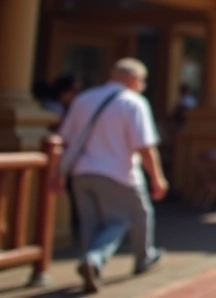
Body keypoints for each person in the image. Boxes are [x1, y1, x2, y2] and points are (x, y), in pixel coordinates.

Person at [52, 58, 166, 294]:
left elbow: (64, 139)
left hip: (81, 172)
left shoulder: (83, 99)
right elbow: (145, 146)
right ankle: (122, 259)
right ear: (134, 79)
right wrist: (157, 177)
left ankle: (90, 263)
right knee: (126, 218)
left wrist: (57, 173)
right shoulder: (133, 102)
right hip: (119, 173)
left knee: (90, 222)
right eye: (142, 81)